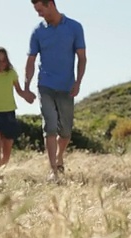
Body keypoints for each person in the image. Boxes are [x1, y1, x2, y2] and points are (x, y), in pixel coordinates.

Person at [23, 0, 87, 181]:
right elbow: (30, 61)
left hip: (67, 86)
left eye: (40, 9)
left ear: (50, 4)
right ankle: (54, 170)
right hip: (45, 85)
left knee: (65, 132)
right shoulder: (37, 31)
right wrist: (27, 86)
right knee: (49, 126)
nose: (38, 14)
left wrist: (78, 81)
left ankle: (60, 157)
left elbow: (82, 57)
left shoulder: (75, 27)